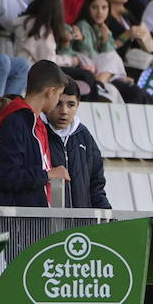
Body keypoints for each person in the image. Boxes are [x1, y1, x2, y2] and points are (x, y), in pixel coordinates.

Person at [0, 59, 70, 207]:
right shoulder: (16, 122)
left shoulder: (36, 123)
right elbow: (6, 176)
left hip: (34, 217)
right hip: (18, 223)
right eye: (59, 95)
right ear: (50, 92)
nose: (57, 102)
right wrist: (48, 175)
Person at [42, 80, 109, 208]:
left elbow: (97, 186)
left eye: (71, 105)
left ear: (78, 105)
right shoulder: (36, 133)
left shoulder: (85, 136)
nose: (64, 111)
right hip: (47, 223)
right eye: (58, 104)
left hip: (81, 224)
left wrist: (107, 217)